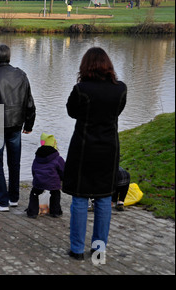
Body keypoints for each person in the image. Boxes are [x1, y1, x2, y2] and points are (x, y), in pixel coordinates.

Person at [62, 47, 127, 260]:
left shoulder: (81, 89)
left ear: (85, 66)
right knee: (103, 199)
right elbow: (117, 112)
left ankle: (77, 249)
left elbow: (72, 112)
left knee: (80, 198)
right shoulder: (120, 90)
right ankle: (99, 249)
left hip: (83, 149)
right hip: (108, 149)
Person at [0, 44, 36, 212]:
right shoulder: (21, 75)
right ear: (9, 57)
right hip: (16, 125)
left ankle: (2, 201)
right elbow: (29, 102)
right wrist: (29, 124)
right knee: (14, 163)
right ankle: (14, 198)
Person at [25, 133, 65, 218]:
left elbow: (34, 169)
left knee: (34, 193)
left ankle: (32, 212)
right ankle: (56, 211)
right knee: (55, 193)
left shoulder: (37, 157)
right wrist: (62, 180)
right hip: (53, 182)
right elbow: (63, 170)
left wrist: (35, 178)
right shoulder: (58, 158)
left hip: (39, 181)